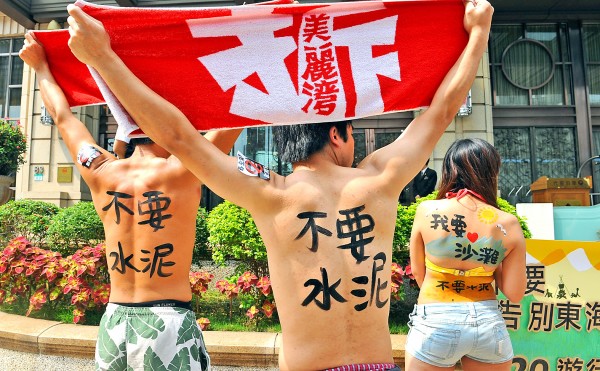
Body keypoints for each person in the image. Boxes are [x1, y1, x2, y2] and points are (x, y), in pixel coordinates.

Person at [65, 0, 493, 369]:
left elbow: (179, 137)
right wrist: (478, 33)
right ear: (338, 134)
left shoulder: (270, 192)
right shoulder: (380, 179)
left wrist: (101, 57)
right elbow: (440, 112)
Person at [19, 33, 242, 371]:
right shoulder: (184, 169)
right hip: (167, 323)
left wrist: (40, 68)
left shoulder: (101, 170)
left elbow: (62, 117)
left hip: (114, 322)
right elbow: (240, 112)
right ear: (172, 126)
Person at [406, 138, 526, 370]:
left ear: (449, 169)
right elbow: (514, 293)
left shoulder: (427, 211)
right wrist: (490, 260)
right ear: (492, 172)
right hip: (489, 326)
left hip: (436, 318)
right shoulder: (508, 223)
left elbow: (419, 275)